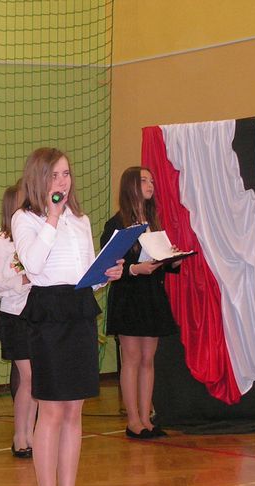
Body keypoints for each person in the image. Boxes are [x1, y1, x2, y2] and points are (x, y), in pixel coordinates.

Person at [13, 148, 123, 486]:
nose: (63, 181)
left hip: (79, 310)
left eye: (66, 174)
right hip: (48, 313)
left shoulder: (81, 219)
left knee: (74, 412)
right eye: (55, 175)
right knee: (52, 411)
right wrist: (52, 217)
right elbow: (34, 265)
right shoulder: (25, 218)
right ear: (39, 178)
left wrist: (106, 274)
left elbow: (84, 275)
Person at [101, 167, 177, 439]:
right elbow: (107, 266)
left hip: (151, 295)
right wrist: (135, 269)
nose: (150, 184)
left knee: (148, 359)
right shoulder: (116, 224)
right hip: (129, 296)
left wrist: (172, 259)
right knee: (132, 359)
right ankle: (133, 421)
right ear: (130, 186)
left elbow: (159, 259)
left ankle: (147, 418)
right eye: (144, 180)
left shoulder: (154, 222)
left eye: (152, 180)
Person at [0, 181, 36, 458]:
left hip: (37, 313)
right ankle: (20, 435)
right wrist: (21, 280)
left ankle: (32, 433)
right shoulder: (3, 241)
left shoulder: (35, 238)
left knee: (36, 377)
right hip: (15, 315)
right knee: (27, 376)